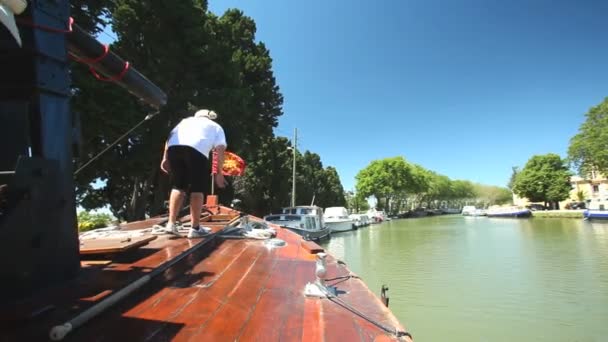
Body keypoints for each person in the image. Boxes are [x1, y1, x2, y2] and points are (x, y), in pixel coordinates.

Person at [160, 109, 227, 238]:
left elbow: (169, 138)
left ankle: (171, 224)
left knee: (178, 185)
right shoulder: (215, 126)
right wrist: (219, 172)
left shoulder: (185, 121)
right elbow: (220, 149)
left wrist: (165, 158)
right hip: (197, 150)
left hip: (174, 148)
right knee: (197, 188)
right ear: (210, 117)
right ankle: (195, 228)